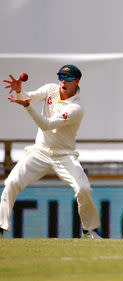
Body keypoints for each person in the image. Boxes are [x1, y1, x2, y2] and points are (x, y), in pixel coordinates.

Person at [0, 65, 101, 239]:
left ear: (77, 81)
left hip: (64, 155)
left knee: (83, 189)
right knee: (11, 183)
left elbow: (46, 125)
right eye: (61, 76)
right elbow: (28, 98)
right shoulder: (50, 89)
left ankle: (88, 230)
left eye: (68, 78)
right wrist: (19, 91)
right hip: (40, 152)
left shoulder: (76, 108)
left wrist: (27, 107)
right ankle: (1, 227)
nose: (63, 81)